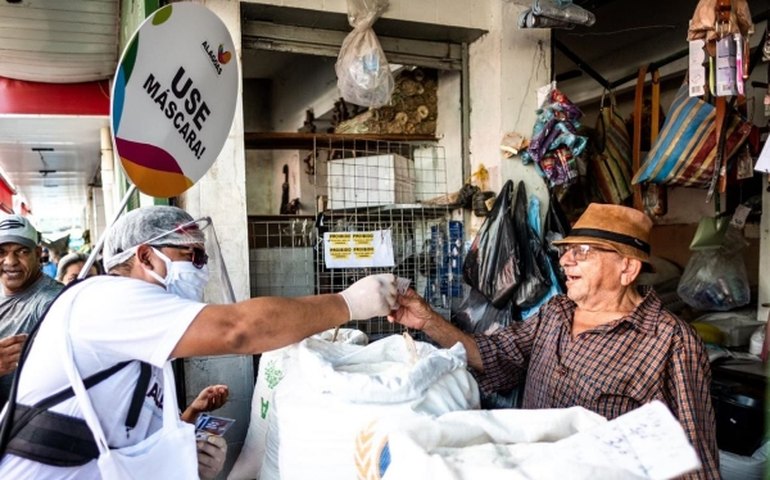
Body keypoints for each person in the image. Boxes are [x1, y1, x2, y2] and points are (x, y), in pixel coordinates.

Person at [0, 205, 397, 478]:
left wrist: (185, 442)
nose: (201, 270)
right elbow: (239, 330)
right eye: (194, 256)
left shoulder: (143, 337)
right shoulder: (107, 299)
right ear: (147, 257)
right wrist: (347, 303)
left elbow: (126, 436)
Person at [389, 203, 719, 479]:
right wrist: (427, 321)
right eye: (565, 250)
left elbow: (695, 454)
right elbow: (492, 354)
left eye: (582, 252)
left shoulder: (670, 341)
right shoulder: (556, 313)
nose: (564, 261)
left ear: (627, 268)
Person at [0, 214, 63, 407]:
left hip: (21, 425)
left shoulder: (51, 302)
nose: (10, 261)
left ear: (38, 254)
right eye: (1, 252)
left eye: (21, 251)